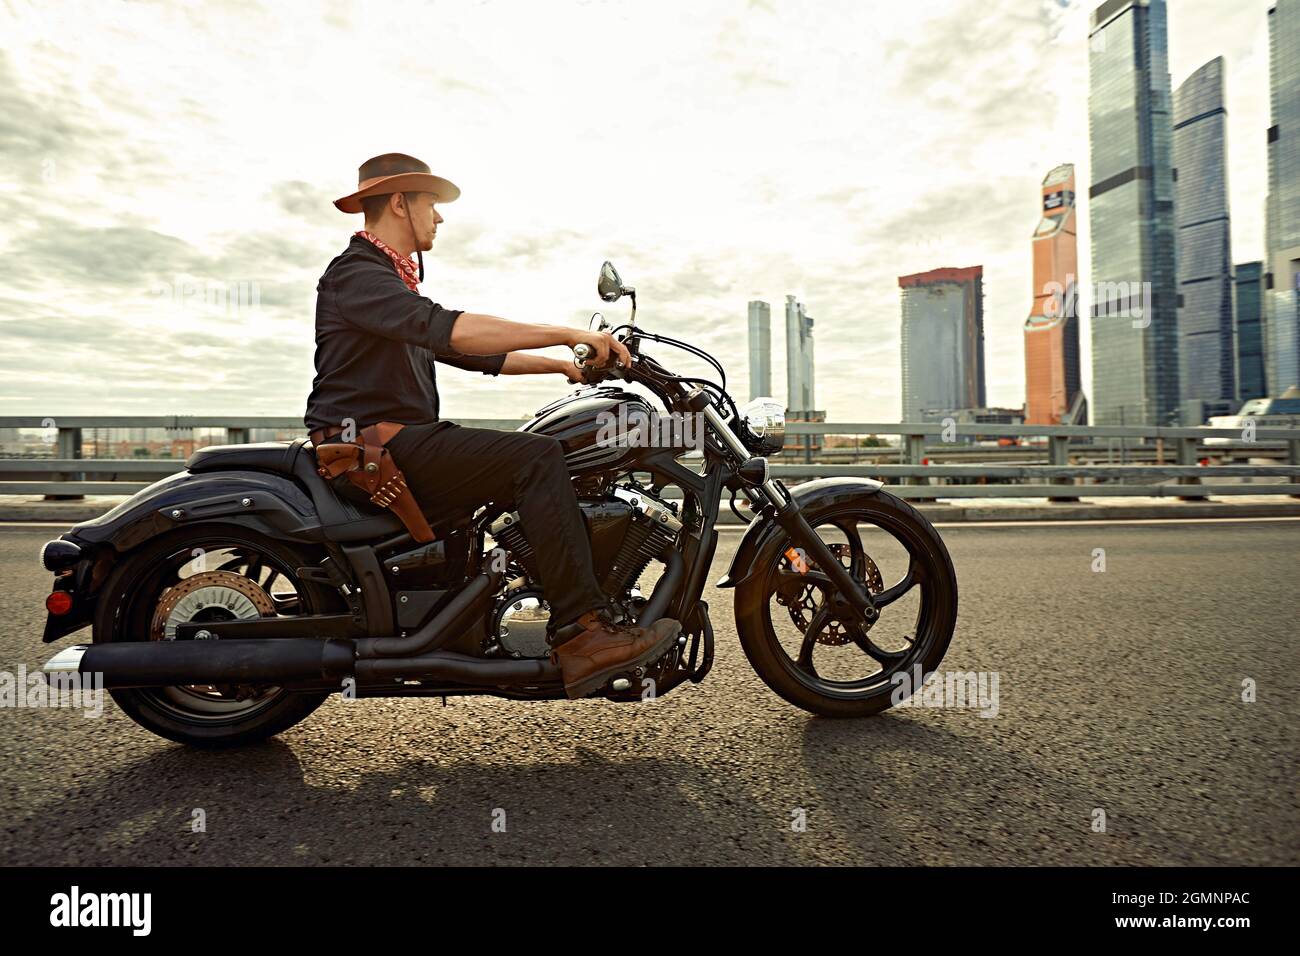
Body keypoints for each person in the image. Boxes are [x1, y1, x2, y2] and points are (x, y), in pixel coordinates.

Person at [303, 152, 680, 699]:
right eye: (432, 204)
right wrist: (563, 331)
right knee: (535, 457)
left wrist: (565, 364)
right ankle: (583, 632)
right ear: (401, 202)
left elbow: (476, 355)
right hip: (367, 444)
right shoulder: (357, 275)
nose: (440, 218)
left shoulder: (387, 283)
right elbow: (448, 331)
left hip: (388, 439)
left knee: (536, 452)